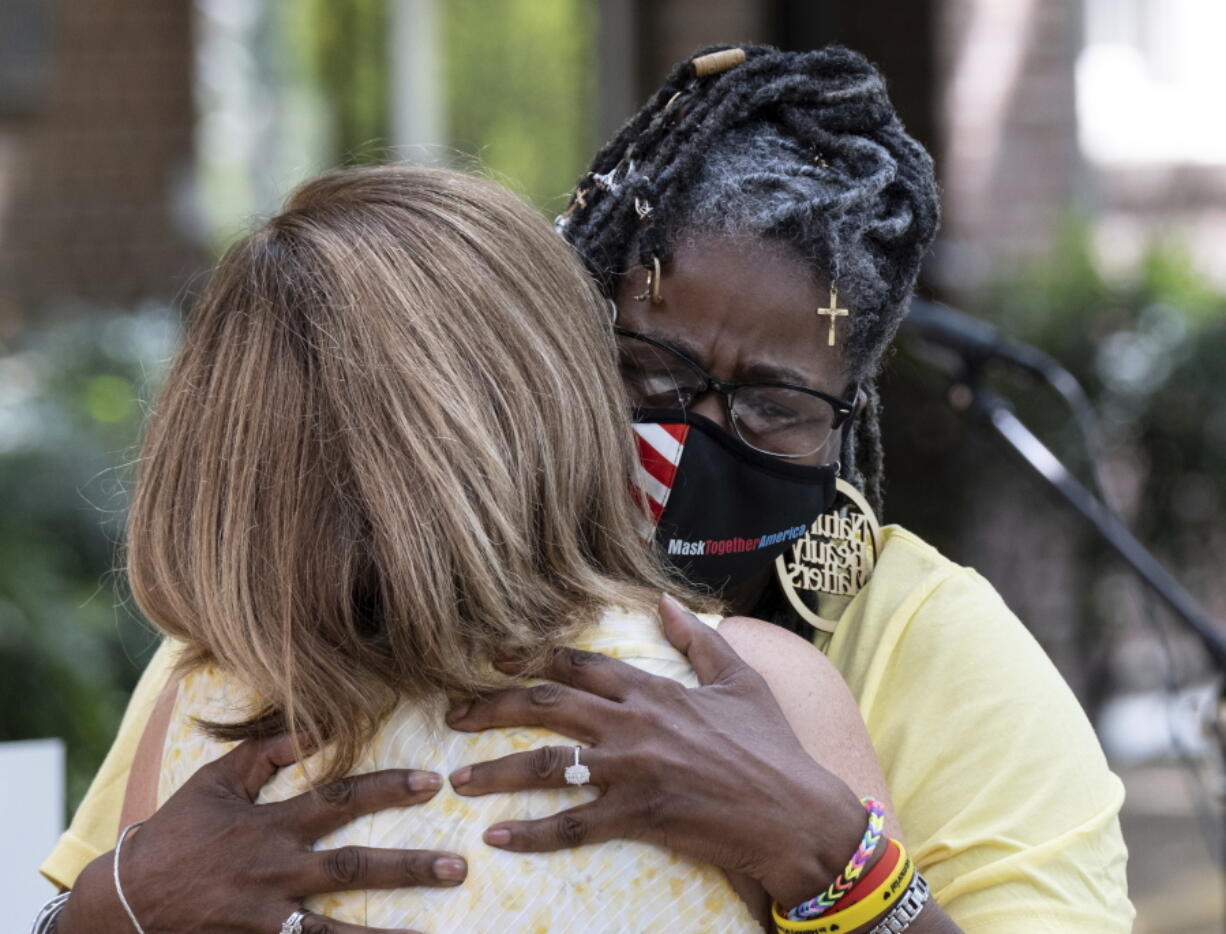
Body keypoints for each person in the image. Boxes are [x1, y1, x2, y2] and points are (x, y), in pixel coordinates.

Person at [38, 45, 1132, 933]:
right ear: (555, 353)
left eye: (770, 409)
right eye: (648, 375)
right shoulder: (264, 653)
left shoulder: (911, 647)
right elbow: (111, 892)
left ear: (846, 425)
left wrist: (821, 848)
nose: (688, 442)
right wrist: (113, 910)